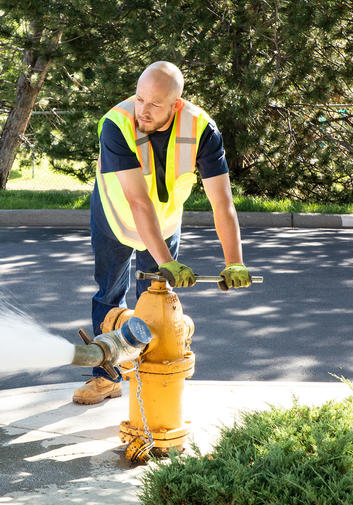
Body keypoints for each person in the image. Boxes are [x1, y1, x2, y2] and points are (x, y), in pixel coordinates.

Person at [73, 61, 253, 405]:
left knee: (156, 299)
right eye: (140, 99)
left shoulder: (202, 129)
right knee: (109, 294)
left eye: (155, 104)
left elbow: (222, 203)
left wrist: (234, 262)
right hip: (116, 216)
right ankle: (106, 377)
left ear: (177, 104)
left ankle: (151, 379)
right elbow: (138, 202)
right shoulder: (116, 124)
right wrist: (167, 261)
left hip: (165, 221)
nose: (143, 110)